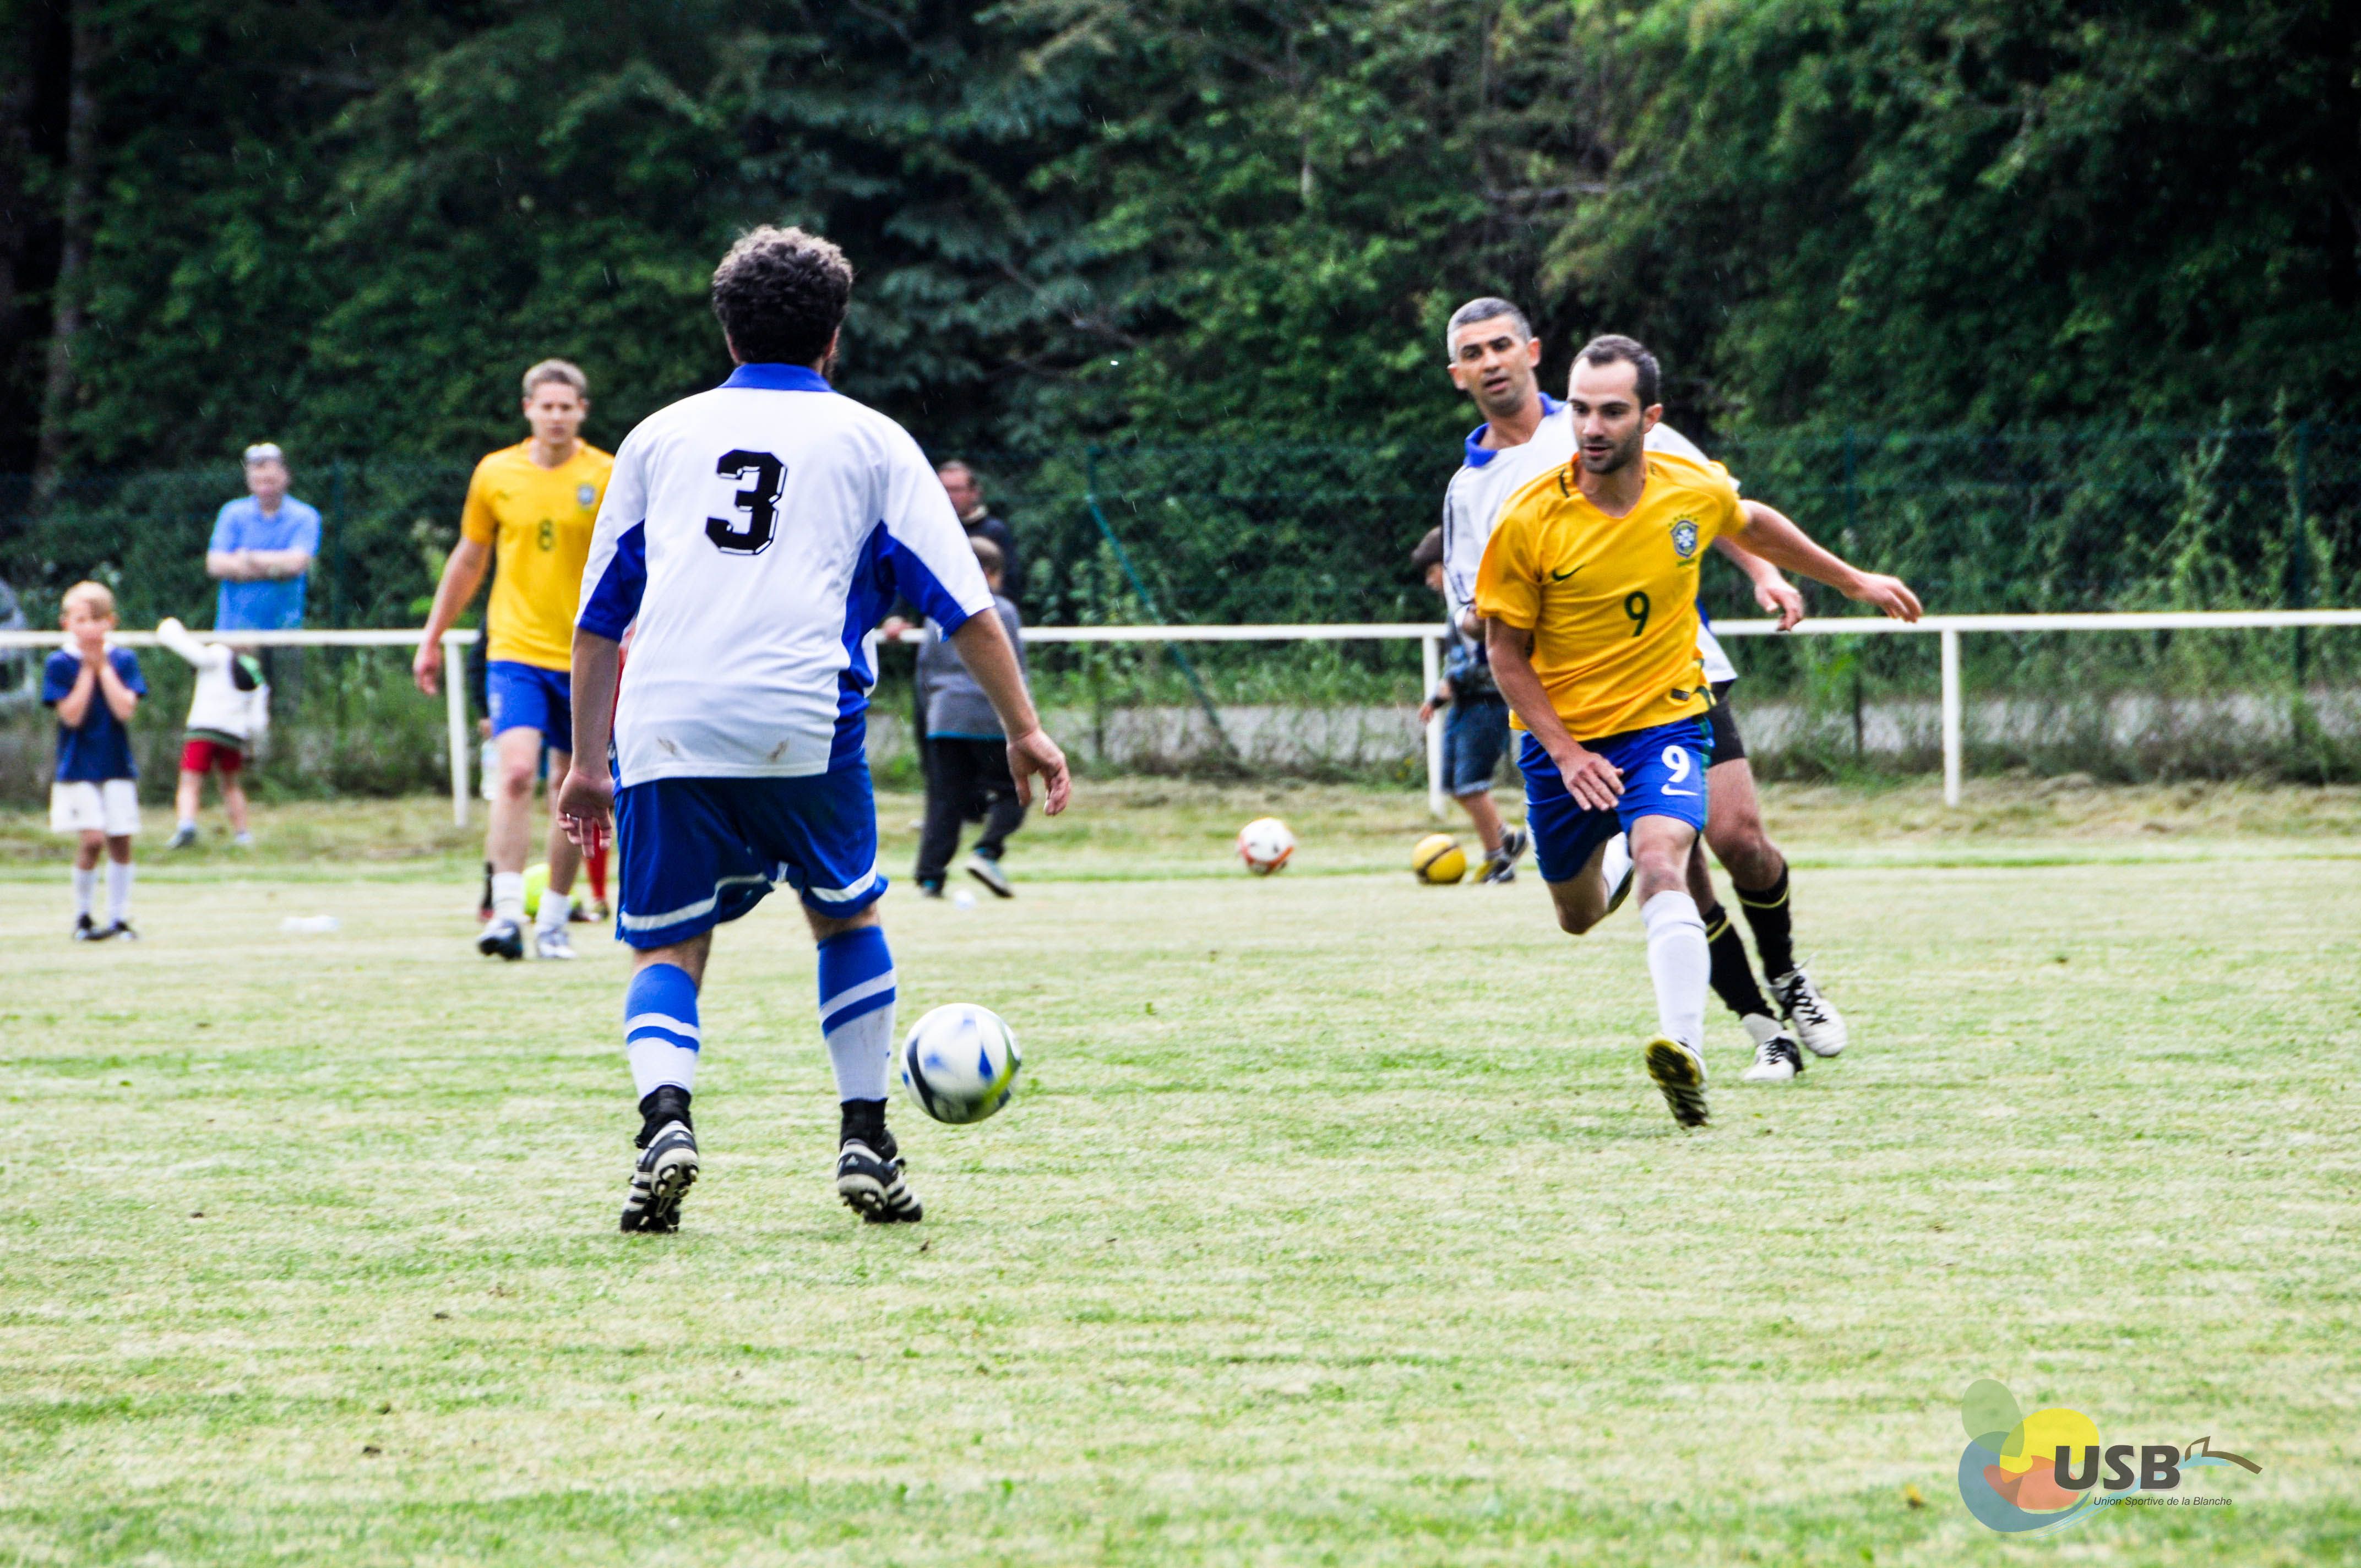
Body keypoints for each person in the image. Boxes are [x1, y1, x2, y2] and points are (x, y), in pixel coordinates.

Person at [554, 225, 1070, 1235]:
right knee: (845, 918)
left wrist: (584, 763)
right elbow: (964, 606)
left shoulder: (657, 438)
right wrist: (1024, 729)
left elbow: (598, 620)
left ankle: (665, 1121)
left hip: (664, 719)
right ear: (835, 336)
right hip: (802, 717)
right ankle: (865, 1137)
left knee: (668, 942)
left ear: (727, 331)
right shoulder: (872, 441)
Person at [1476, 335, 1919, 1128]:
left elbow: (1750, 521)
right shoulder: (1529, 519)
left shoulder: (1688, 486)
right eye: (1581, 411)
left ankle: (1685, 1053)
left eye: (1613, 412)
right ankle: (1617, 863)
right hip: (1563, 745)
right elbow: (1503, 655)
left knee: (1668, 861)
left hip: (1665, 719)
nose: (1592, 427)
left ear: (1650, 419)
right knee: (1577, 914)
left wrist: (1852, 580)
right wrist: (1567, 753)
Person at [413, 360, 613, 961]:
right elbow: (470, 558)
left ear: (582, 411)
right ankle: (504, 914)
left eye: (566, 406)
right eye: (545, 406)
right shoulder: (495, 473)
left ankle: (552, 919)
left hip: (586, 654)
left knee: (570, 786)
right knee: (517, 771)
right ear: (528, 409)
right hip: (514, 649)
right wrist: (432, 637)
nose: (556, 416)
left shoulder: (606, 474)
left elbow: (632, 561)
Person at [913, 536, 1031, 899]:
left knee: (945, 800)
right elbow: (1015, 668)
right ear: (989, 573)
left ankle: (931, 877)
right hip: (989, 715)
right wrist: (1026, 722)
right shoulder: (1001, 610)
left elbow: (924, 671)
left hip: (944, 718)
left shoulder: (935, 611)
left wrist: (931, 714)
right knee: (1016, 791)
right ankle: (987, 851)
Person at [1411, 526, 1526, 881]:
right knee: (1452, 784)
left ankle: (1499, 861)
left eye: (1432, 571)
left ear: (1451, 566)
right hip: (1464, 704)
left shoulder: (1481, 602)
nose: (1429, 581)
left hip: (1487, 705)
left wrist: (1452, 683)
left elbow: (1491, 658)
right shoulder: (1455, 610)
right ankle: (1506, 837)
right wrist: (1443, 691)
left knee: (1471, 785)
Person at [43, 581, 146, 940]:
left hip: (116, 764)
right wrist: (87, 671)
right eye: (81, 620)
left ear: (111, 622)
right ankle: (83, 917)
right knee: (92, 839)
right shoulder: (60, 663)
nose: (90, 628)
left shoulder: (123, 660)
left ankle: (118, 918)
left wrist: (103, 668)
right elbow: (71, 716)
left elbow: (125, 709)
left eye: (97, 619)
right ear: (67, 624)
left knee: (121, 841)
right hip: (78, 768)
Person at [207, 442, 322, 714]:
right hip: (236, 633)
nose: (265, 487)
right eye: (258, 479)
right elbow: (215, 564)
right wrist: (275, 567)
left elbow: (297, 563)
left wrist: (247, 559)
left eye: (270, 479)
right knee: (234, 706)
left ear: (286, 476)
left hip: (285, 629)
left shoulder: (305, 516)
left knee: (285, 708)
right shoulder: (232, 513)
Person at [155, 616, 267, 849]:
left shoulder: (218, 653)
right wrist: (253, 745)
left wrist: (169, 630)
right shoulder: (257, 674)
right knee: (231, 785)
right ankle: (243, 835)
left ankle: (186, 826)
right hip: (233, 736)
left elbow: (197, 655)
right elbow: (258, 722)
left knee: (190, 781)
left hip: (203, 730)